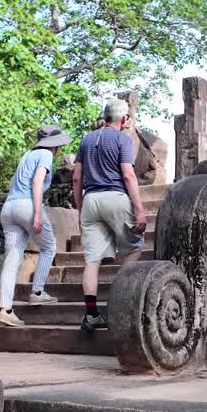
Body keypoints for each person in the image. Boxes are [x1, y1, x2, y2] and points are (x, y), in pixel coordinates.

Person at [72, 100, 148, 331]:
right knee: (133, 247)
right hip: (115, 197)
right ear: (124, 120)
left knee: (91, 260)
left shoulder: (87, 139)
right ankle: (121, 306)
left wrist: (79, 208)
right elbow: (128, 175)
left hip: (90, 200)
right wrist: (140, 210)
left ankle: (91, 314)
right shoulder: (122, 139)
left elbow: (76, 177)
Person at [0, 126, 73, 327]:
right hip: (26, 205)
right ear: (54, 145)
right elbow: (38, 182)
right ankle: (37, 292)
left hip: (9, 207)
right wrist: (37, 212)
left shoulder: (27, 155)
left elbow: (12, 183)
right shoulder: (45, 154)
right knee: (49, 247)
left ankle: (5, 309)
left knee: (12, 259)